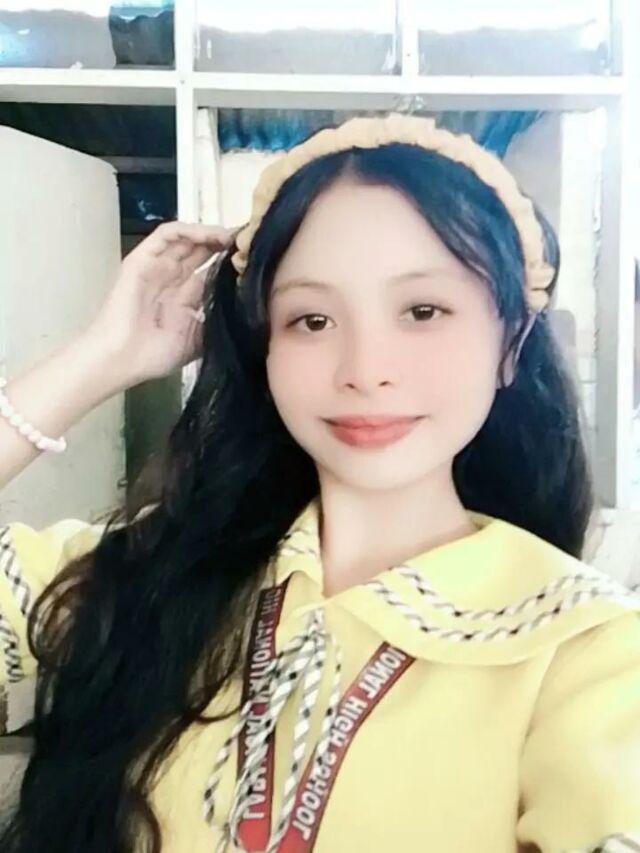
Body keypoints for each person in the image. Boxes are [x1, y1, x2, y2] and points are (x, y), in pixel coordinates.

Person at [0, 113, 639, 853]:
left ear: (511, 343)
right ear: (264, 347)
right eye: (311, 319)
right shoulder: (148, 575)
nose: (365, 370)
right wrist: (101, 357)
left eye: (423, 310)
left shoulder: (585, 650)